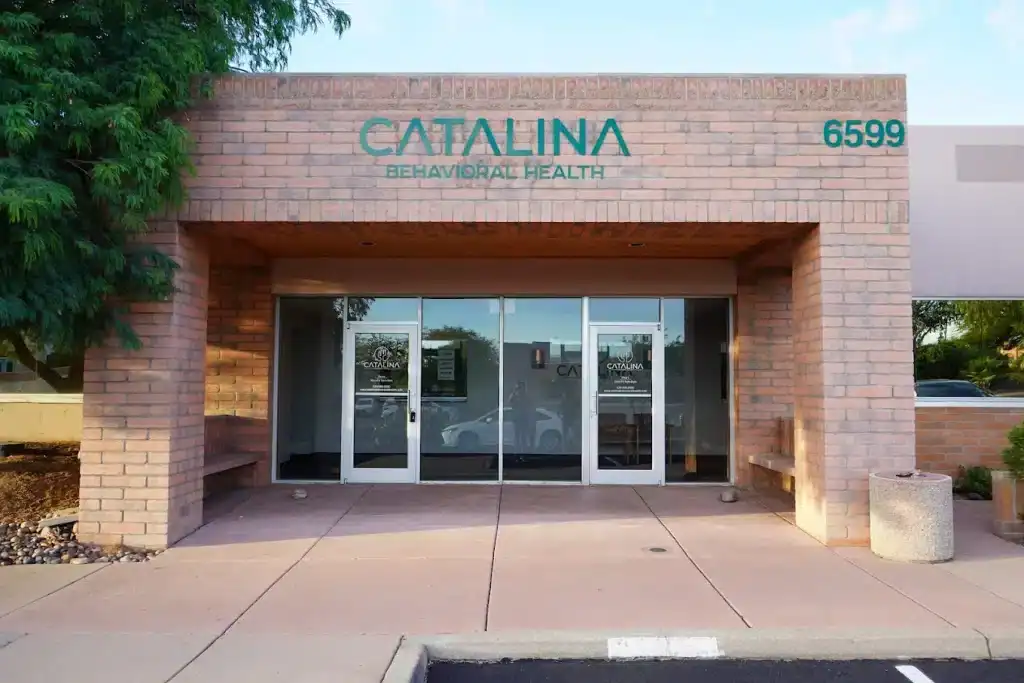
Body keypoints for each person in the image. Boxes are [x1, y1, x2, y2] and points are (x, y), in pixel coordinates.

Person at [507, 381, 535, 453]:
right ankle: (518, 451)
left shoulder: (526, 397)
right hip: (517, 419)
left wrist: (530, 419)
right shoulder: (514, 397)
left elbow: (530, 408)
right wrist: (514, 393)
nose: (519, 389)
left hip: (524, 419)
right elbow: (510, 402)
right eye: (517, 388)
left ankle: (523, 451)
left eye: (519, 388)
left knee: (523, 437)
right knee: (517, 437)